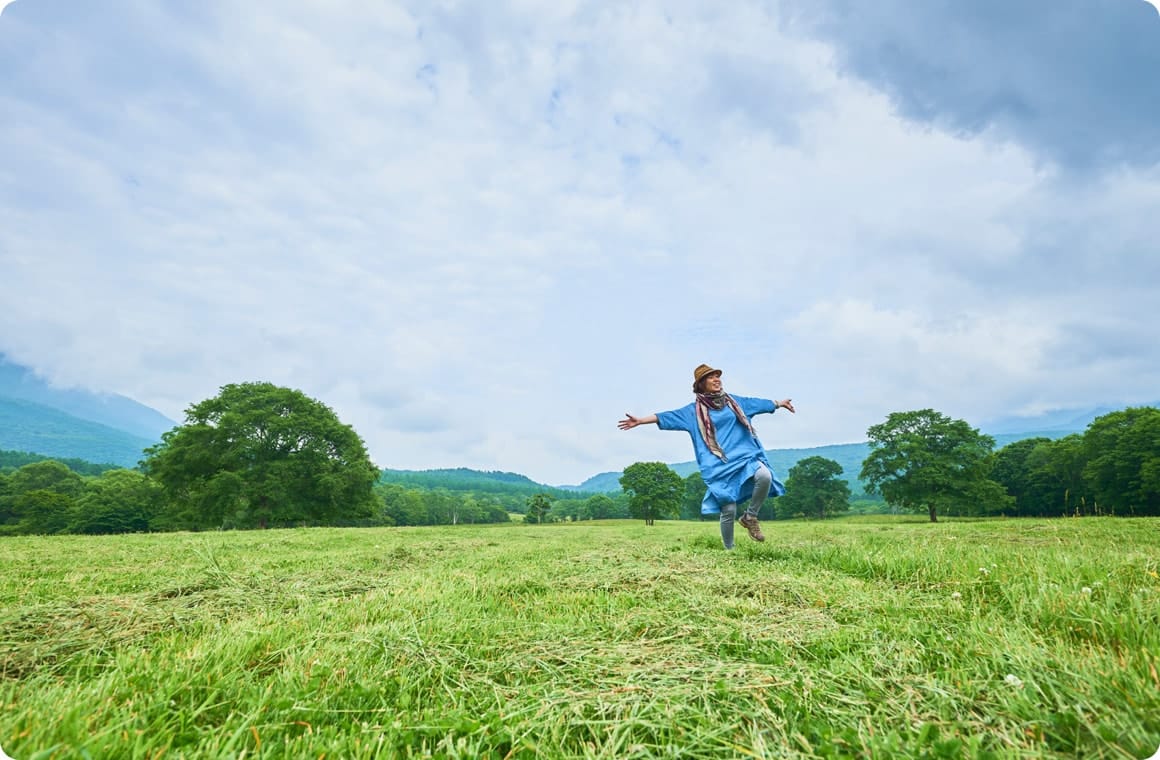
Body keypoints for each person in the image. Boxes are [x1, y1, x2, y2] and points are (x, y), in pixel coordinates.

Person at [618, 364, 795, 549]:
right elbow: (666, 416)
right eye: (711, 377)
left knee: (764, 476)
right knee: (728, 507)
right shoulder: (692, 412)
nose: (717, 379)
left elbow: (758, 403)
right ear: (701, 384)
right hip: (718, 464)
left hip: (745, 457)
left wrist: (778, 403)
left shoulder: (736, 402)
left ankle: (750, 517)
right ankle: (730, 550)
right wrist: (640, 421)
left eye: (718, 376)